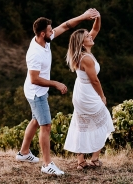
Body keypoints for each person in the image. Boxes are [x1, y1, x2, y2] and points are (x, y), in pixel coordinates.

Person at [15, 9, 99, 176]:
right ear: (41, 33)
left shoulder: (45, 40)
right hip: (35, 92)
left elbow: (66, 26)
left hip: (38, 90)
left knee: (36, 120)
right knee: (46, 125)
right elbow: (34, 79)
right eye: (49, 30)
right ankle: (47, 164)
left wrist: (83, 16)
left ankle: (23, 153)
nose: (52, 32)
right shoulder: (34, 53)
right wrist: (56, 84)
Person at [64, 11, 115, 170]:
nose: (91, 36)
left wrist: (98, 17)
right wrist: (102, 96)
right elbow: (94, 80)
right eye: (87, 36)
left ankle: (81, 162)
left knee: (82, 124)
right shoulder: (86, 58)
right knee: (104, 120)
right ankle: (94, 159)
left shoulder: (81, 53)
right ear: (82, 42)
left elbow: (96, 30)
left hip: (80, 92)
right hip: (88, 92)